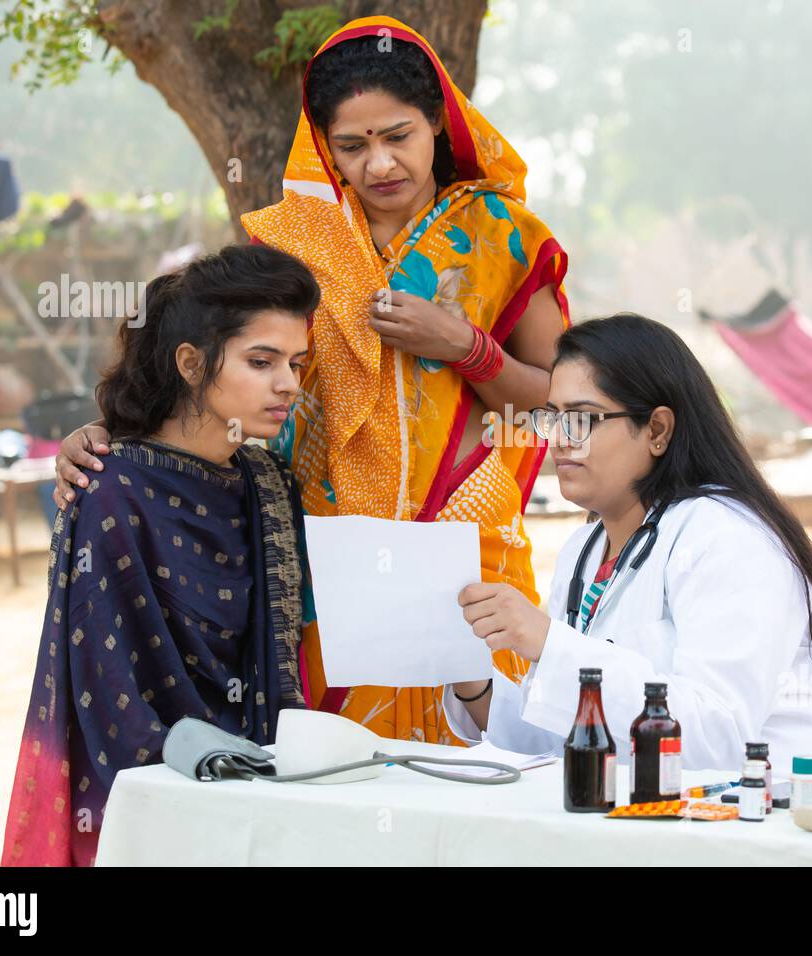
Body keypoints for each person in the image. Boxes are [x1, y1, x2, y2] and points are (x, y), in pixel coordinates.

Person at [50, 16, 570, 744]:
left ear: (440, 125)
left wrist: (464, 346)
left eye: (399, 136)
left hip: (467, 536)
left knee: (490, 755)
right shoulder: (295, 243)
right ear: (323, 145)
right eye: (351, 146)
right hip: (322, 550)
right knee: (333, 765)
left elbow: (564, 406)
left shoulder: (503, 237)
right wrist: (116, 432)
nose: (379, 164)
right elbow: (213, 358)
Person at [451, 314, 812, 783]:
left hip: (795, 818)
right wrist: (473, 681)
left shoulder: (727, 537)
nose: (560, 440)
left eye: (582, 419)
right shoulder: (583, 551)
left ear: (657, 430)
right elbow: (570, 735)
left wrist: (551, 644)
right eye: (552, 417)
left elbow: (720, 736)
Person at [2, 244, 319, 866]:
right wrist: (200, 761)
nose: (288, 383)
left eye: (296, 363)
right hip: (147, 798)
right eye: (262, 361)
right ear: (192, 364)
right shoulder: (110, 489)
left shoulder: (268, 482)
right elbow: (104, 683)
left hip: (259, 787)